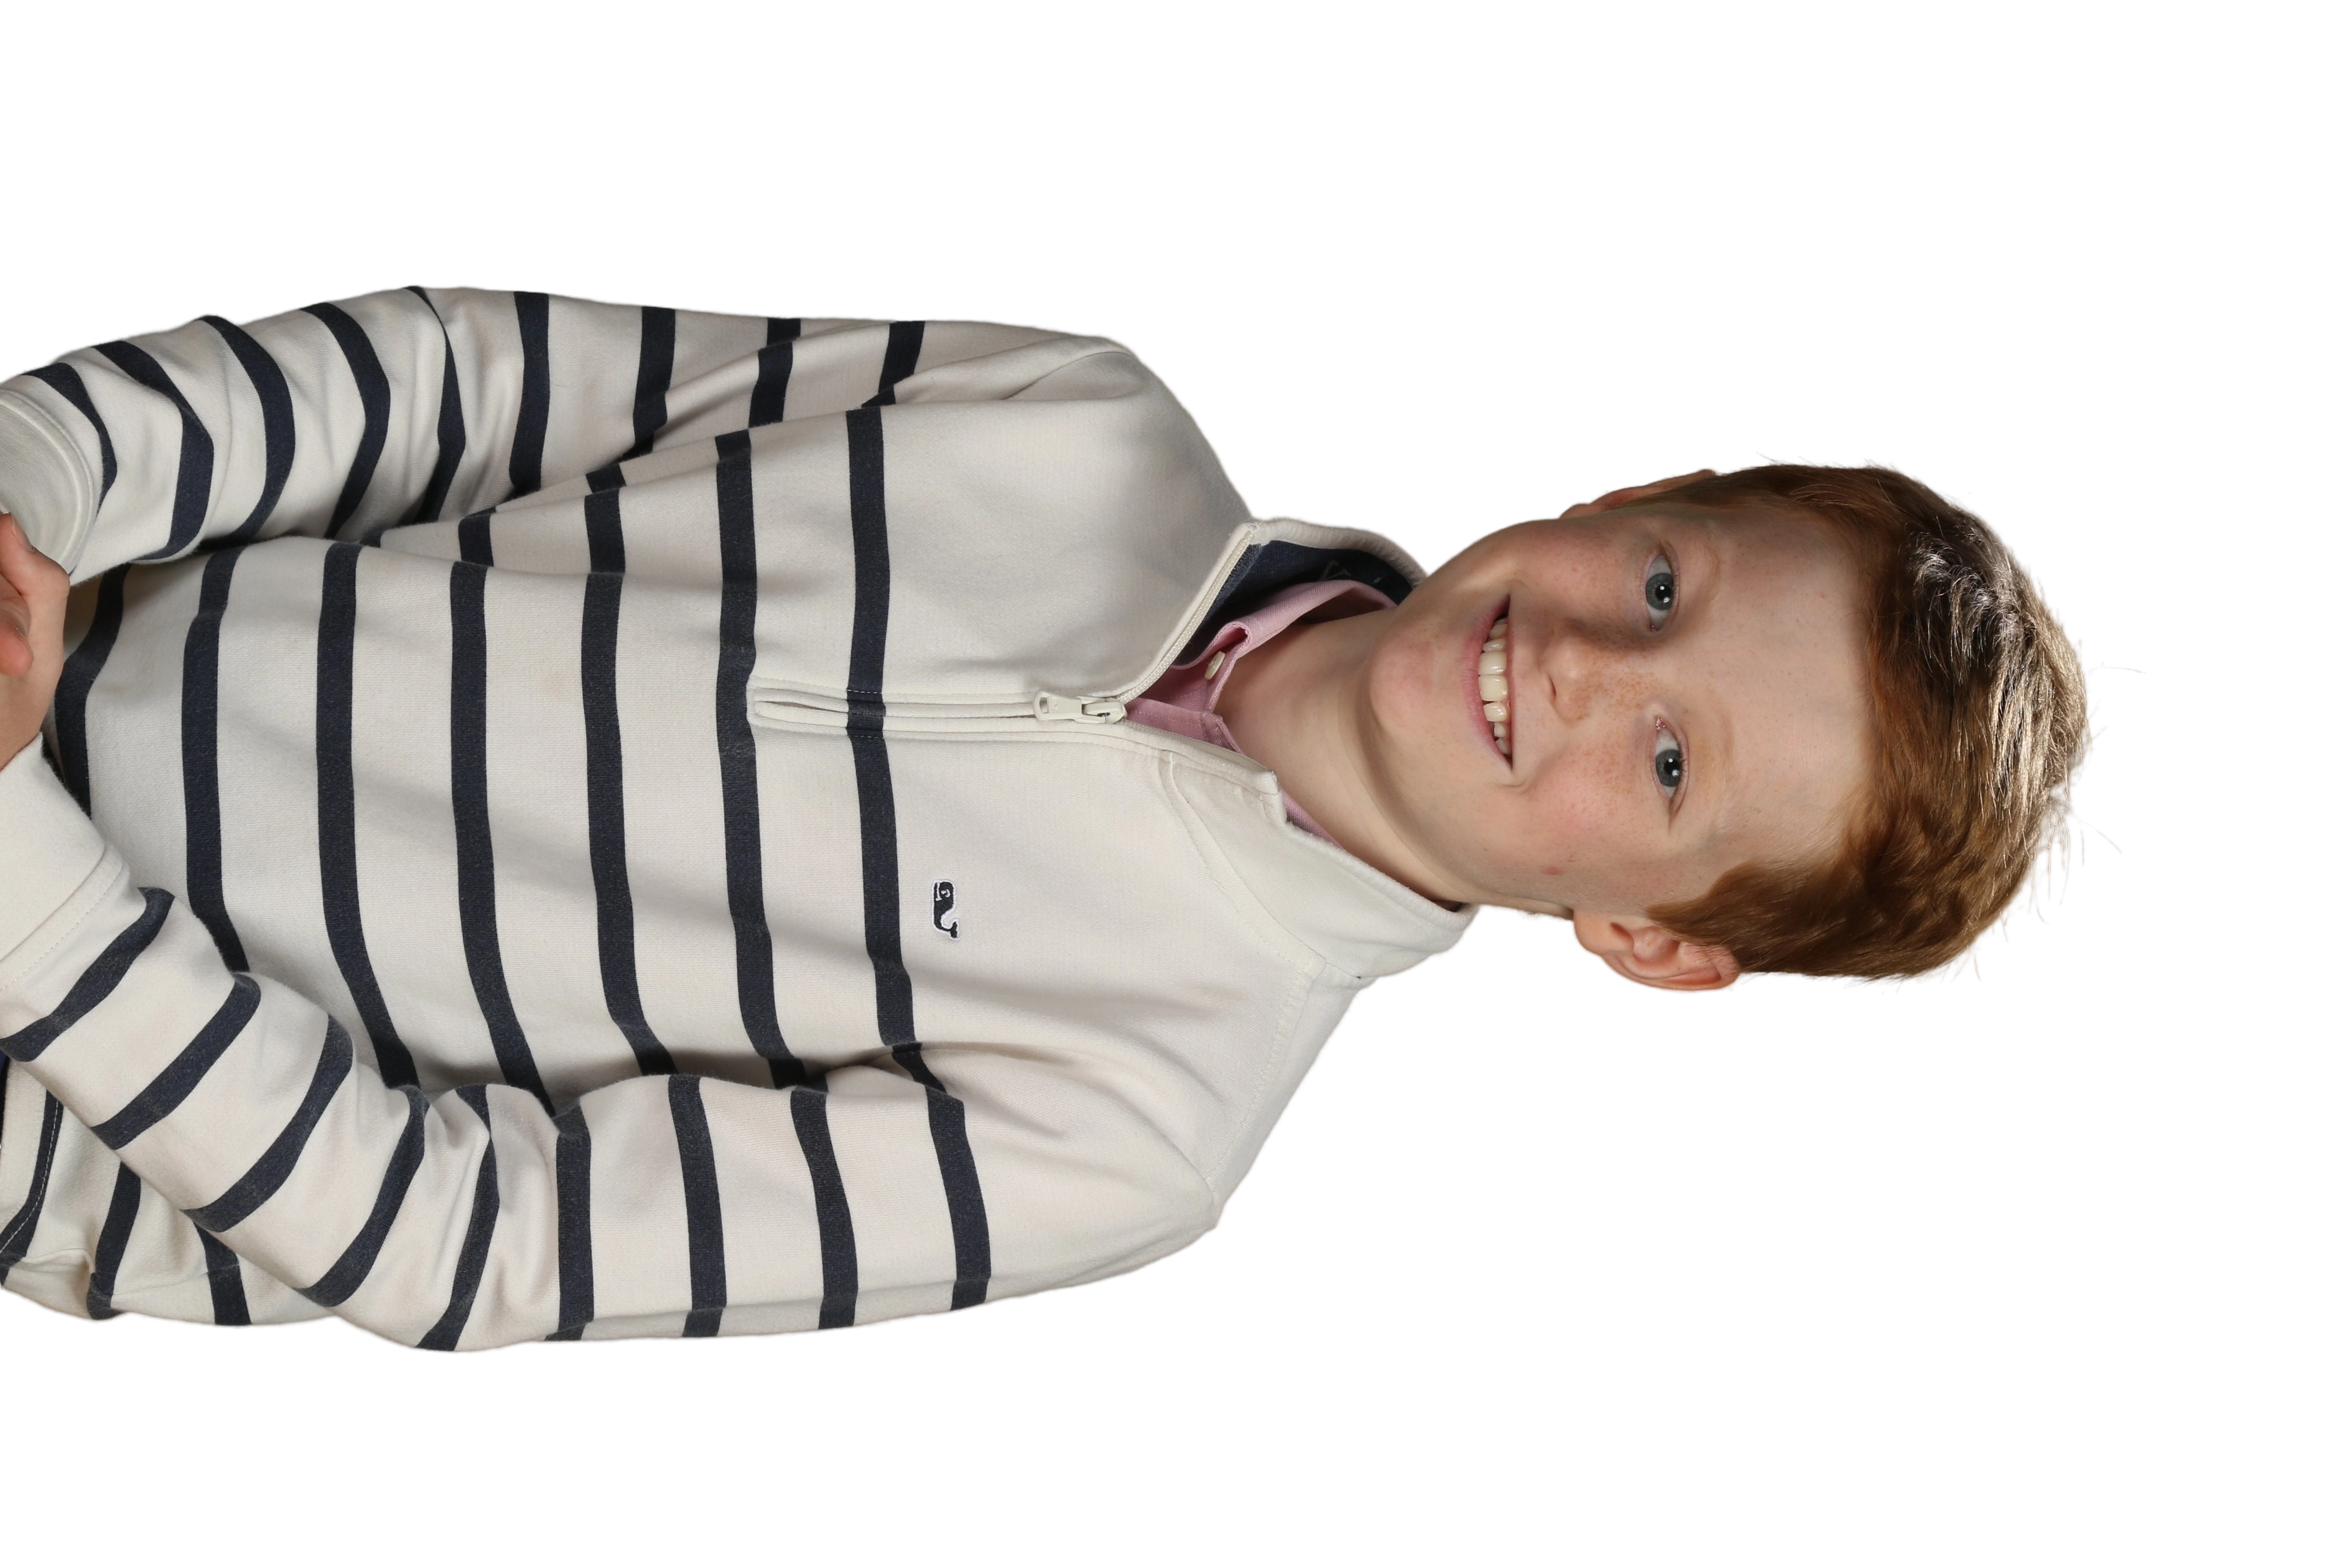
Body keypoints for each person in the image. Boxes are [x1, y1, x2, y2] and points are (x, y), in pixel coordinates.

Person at [0, 286, 2102, 1353]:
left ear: (1653, 940)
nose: (1580, 667)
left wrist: (12, 835)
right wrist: (41, 480)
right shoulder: (1083, 413)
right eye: (1661, 587)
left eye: (1670, 767)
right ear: (1631, 498)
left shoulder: (1144, 1124)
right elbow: (481, 390)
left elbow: (465, 1246)